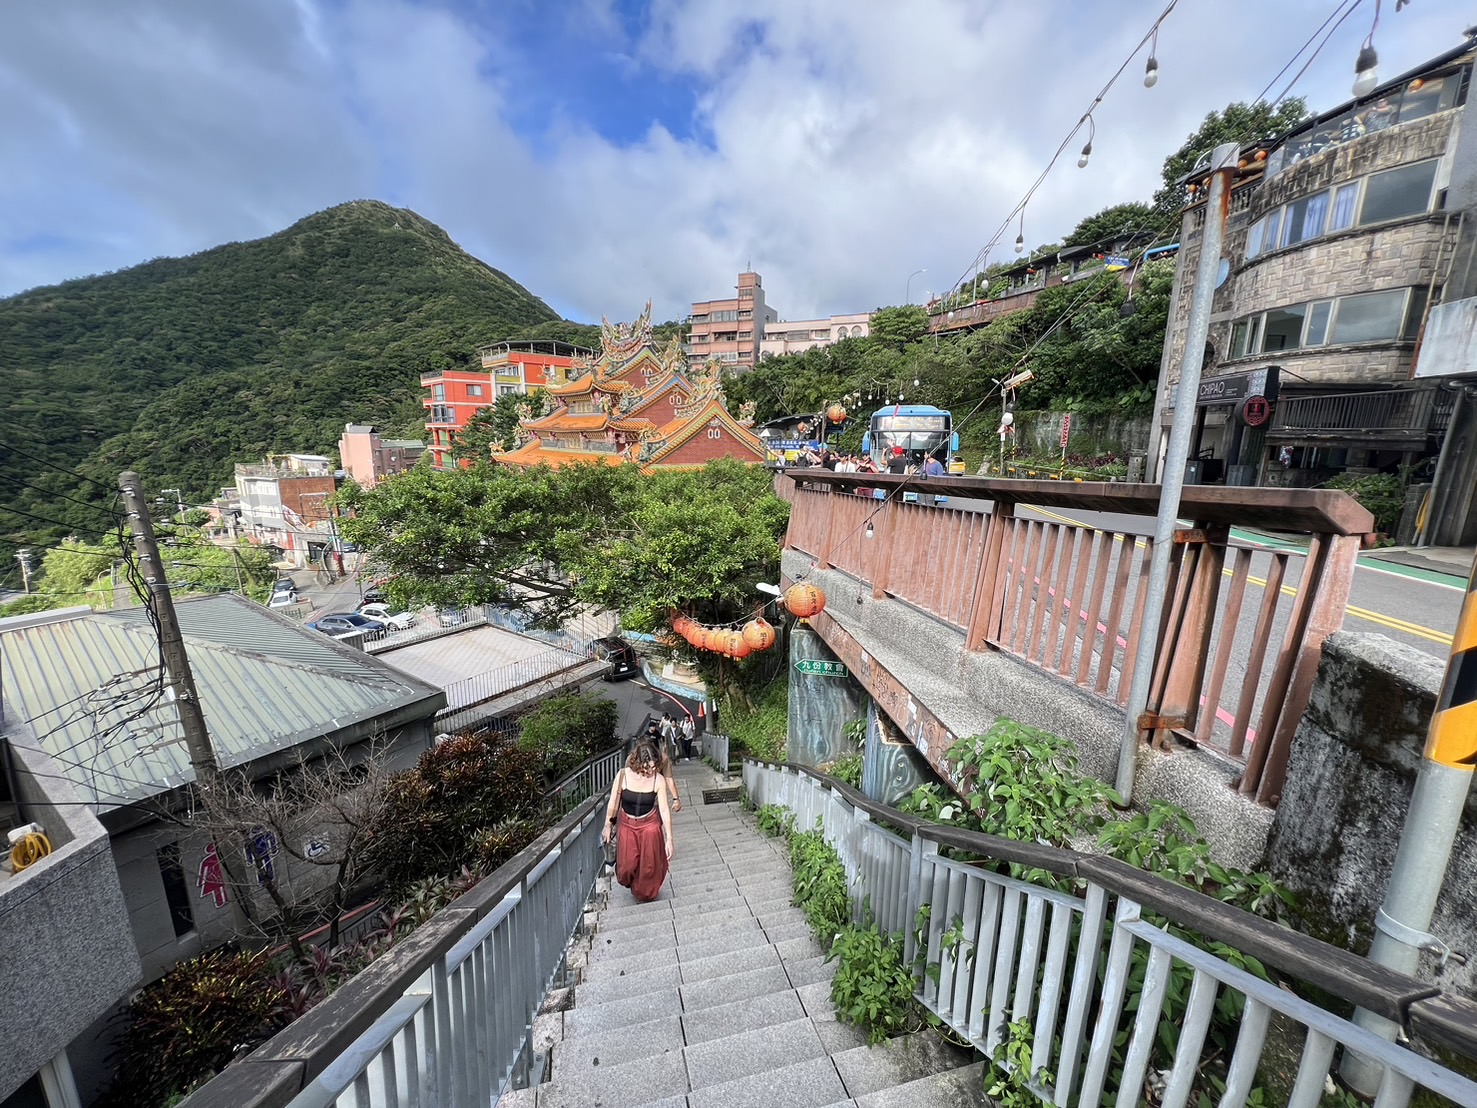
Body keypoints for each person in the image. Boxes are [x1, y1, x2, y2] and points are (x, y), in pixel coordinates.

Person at [602, 741, 673, 901]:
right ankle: (632, 882)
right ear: (638, 763)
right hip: (627, 824)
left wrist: (669, 839)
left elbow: (664, 809)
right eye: (648, 768)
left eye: (654, 767)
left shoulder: (658, 780)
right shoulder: (623, 775)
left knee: (648, 867)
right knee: (626, 868)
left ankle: (644, 892)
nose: (651, 771)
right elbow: (614, 801)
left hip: (649, 825)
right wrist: (608, 824)